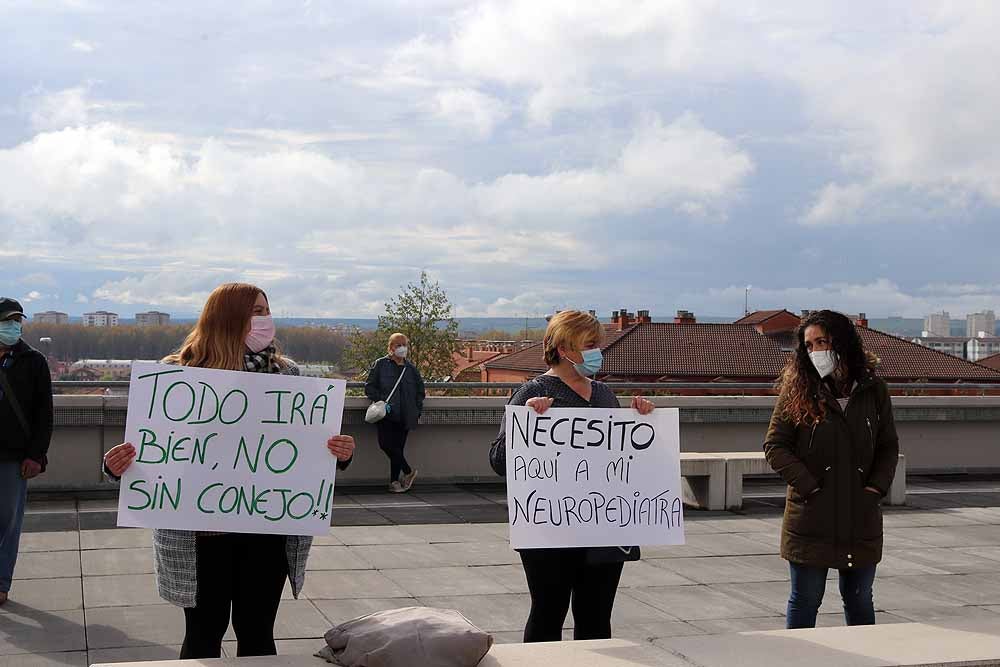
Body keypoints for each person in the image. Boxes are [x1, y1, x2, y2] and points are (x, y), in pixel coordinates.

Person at [102, 283, 355, 658]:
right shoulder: (176, 377)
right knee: (203, 634)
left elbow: (308, 451)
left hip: (267, 532)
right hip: (202, 537)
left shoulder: (290, 377)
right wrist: (115, 465)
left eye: (266, 310)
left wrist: (340, 453)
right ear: (227, 317)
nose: (264, 319)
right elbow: (153, 447)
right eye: (255, 311)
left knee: (257, 633)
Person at [488, 310, 654, 643]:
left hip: (604, 525)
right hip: (551, 527)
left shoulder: (605, 395)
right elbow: (499, 461)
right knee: (549, 610)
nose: (598, 353)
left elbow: (624, 459)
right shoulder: (531, 393)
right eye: (590, 345)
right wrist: (528, 424)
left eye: (598, 344)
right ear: (564, 348)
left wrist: (643, 421)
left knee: (596, 614)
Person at [764, 309, 899, 630]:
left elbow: (888, 446)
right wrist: (809, 487)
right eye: (809, 346)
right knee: (806, 598)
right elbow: (775, 446)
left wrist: (874, 490)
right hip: (811, 517)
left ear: (842, 342)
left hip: (860, 515)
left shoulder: (873, 389)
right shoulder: (798, 389)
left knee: (859, 598)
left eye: (822, 342)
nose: (816, 352)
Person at [0, 297, 53, 606]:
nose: (14, 326)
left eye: (17, 321)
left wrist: (36, 455)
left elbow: (44, 413)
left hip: (14, 457)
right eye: (8, 321)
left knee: (8, 523)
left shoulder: (33, 361)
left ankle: (2, 582)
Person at [365, 333, 425, 493]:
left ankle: (394, 482)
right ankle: (408, 471)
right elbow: (369, 387)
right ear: (391, 347)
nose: (402, 348)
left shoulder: (411, 369)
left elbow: (420, 391)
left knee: (398, 448)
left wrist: (416, 409)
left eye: (404, 344)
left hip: (405, 415)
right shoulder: (380, 365)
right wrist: (382, 401)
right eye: (398, 345)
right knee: (385, 444)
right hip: (386, 415)